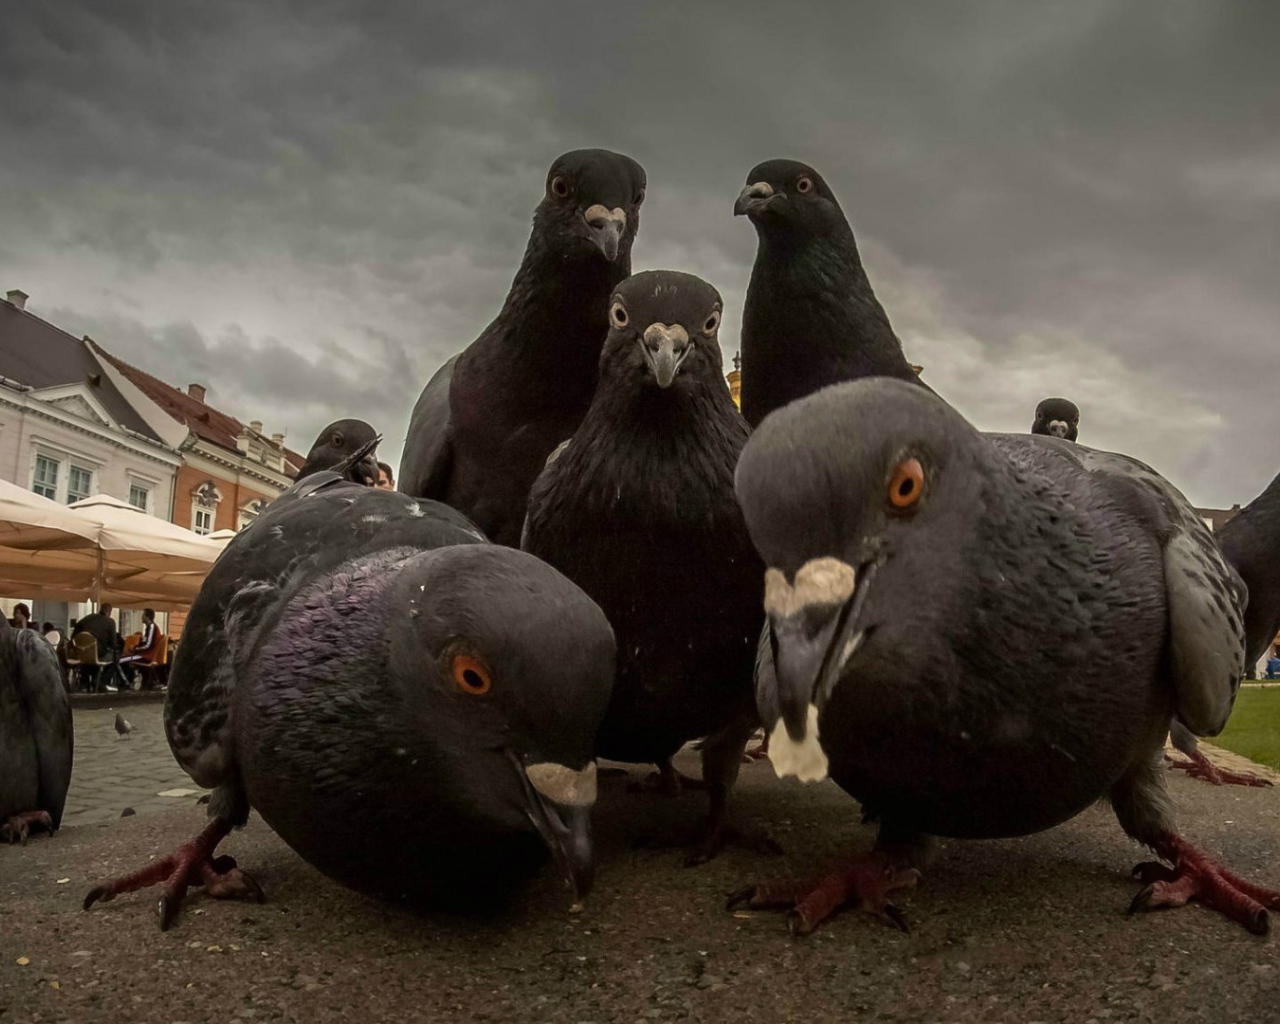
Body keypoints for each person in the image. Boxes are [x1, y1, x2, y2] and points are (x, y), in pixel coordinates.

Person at [75, 602, 121, 693]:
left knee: (89, 659)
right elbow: (113, 643)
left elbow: (75, 631)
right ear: (109, 612)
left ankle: (84, 682)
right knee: (115, 658)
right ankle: (102, 682)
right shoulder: (110, 622)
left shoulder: (87, 618)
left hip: (82, 653)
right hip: (98, 654)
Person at [120, 608, 163, 689]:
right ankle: (129, 680)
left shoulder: (152, 627)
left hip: (146, 656)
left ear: (147, 617)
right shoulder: (150, 627)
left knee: (120, 660)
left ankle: (126, 682)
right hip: (144, 654)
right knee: (124, 659)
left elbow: (148, 645)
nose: (141, 617)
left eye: (143, 615)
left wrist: (135, 649)